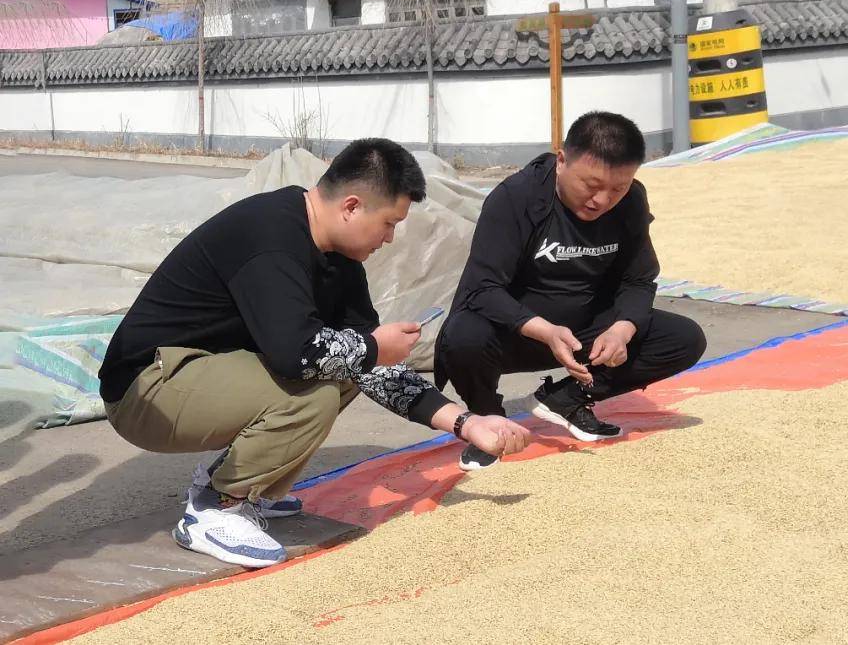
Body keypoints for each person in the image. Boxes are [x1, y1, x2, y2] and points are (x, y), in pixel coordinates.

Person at [98, 138, 531, 568]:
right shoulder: (269, 236)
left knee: (347, 363)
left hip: (201, 372)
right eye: (388, 223)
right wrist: (373, 345)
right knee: (316, 390)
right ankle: (214, 508)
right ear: (352, 206)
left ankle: (250, 486)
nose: (391, 239)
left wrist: (466, 423)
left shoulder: (338, 261)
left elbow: (369, 368)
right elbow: (295, 355)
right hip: (148, 387)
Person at [435, 111, 707, 471]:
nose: (601, 200)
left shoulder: (631, 202)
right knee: (463, 335)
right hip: (516, 331)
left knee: (684, 337)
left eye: (618, 188)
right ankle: (489, 422)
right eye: (591, 185)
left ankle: (568, 399)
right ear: (562, 160)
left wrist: (621, 329)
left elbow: (639, 279)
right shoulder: (516, 198)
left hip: (585, 335)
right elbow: (484, 289)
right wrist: (545, 331)